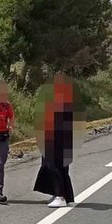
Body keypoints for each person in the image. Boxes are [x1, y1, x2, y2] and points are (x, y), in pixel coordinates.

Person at [34, 74, 81, 208]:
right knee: (58, 167)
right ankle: (64, 195)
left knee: (53, 166)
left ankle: (60, 195)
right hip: (60, 139)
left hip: (57, 139)